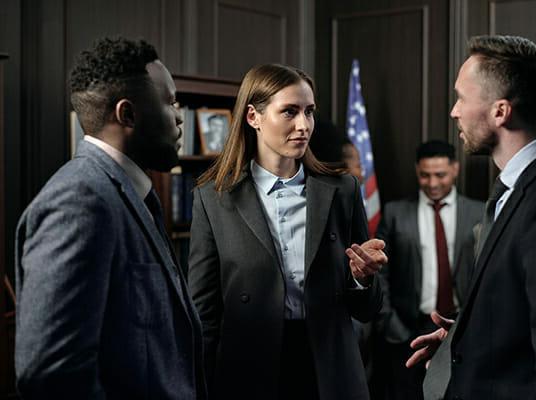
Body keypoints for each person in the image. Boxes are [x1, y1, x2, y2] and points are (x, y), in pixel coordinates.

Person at [407, 35, 536, 399]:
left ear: (500, 111)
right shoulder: (519, 187)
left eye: (462, 98)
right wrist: (466, 338)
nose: (454, 111)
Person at [14, 37, 206, 399]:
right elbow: (52, 373)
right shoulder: (80, 201)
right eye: (170, 102)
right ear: (127, 114)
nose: (180, 116)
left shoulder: (132, 194)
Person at [188, 63, 387, 400]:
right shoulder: (213, 199)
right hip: (249, 371)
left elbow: (367, 309)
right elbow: (204, 313)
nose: (303, 125)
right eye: (290, 112)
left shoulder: (343, 190)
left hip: (329, 370)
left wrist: (362, 279)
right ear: (253, 117)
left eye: (309, 112)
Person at [374, 140, 483, 400]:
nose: (433, 183)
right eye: (425, 175)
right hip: (408, 332)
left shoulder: (479, 213)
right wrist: (394, 328)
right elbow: (380, 274)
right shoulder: (395, 213)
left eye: (440, 175)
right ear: (416, 171)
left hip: (461, 331)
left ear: (455, 169)